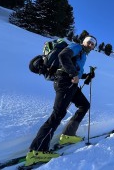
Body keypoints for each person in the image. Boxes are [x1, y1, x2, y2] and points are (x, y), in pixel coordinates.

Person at [25, 36, 97, 166]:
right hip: (64, 82)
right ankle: (37, 151)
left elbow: (73, 67)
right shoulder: (77, 47)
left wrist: (86, 76)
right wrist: (74, 74)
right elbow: (63, 56)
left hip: (70, 83)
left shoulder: (82, 53)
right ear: (84, 42)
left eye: (93, 44)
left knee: (84, 105)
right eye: (89, 42)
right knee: (58, 114)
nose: (91, 45)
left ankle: (68, 136)